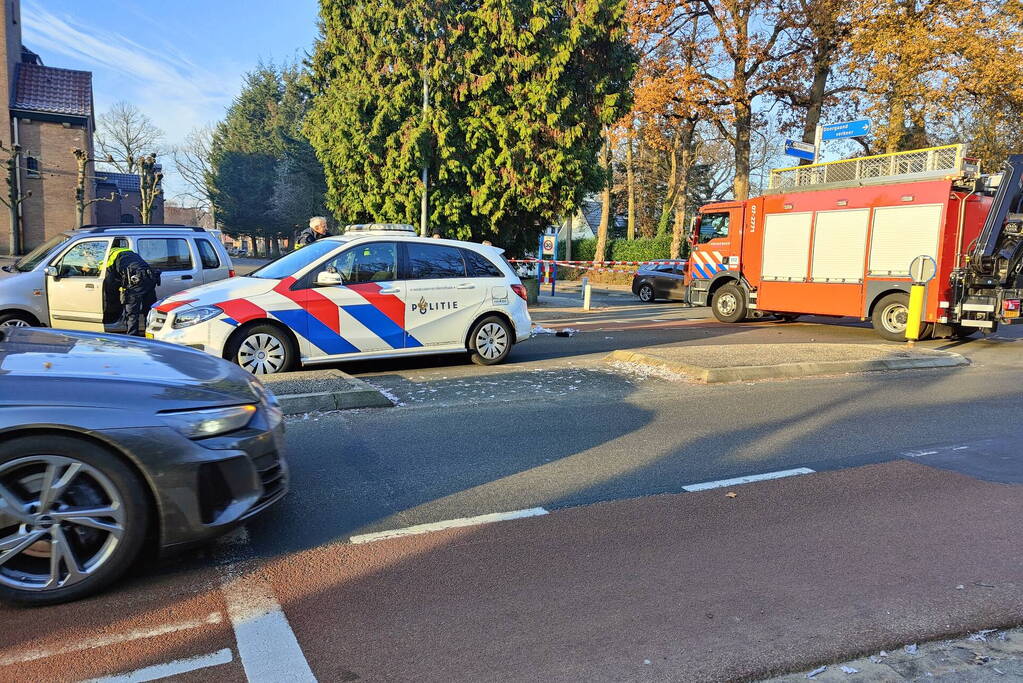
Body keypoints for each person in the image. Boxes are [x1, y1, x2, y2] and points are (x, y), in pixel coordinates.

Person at [104, 247, 160, 336]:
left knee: (132, 313)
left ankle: (132, 338)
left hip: (135, 282)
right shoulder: (130, 252)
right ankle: (150, 335)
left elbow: (108, 280)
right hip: (150, 278)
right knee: (149, 310)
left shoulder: (110, 256)